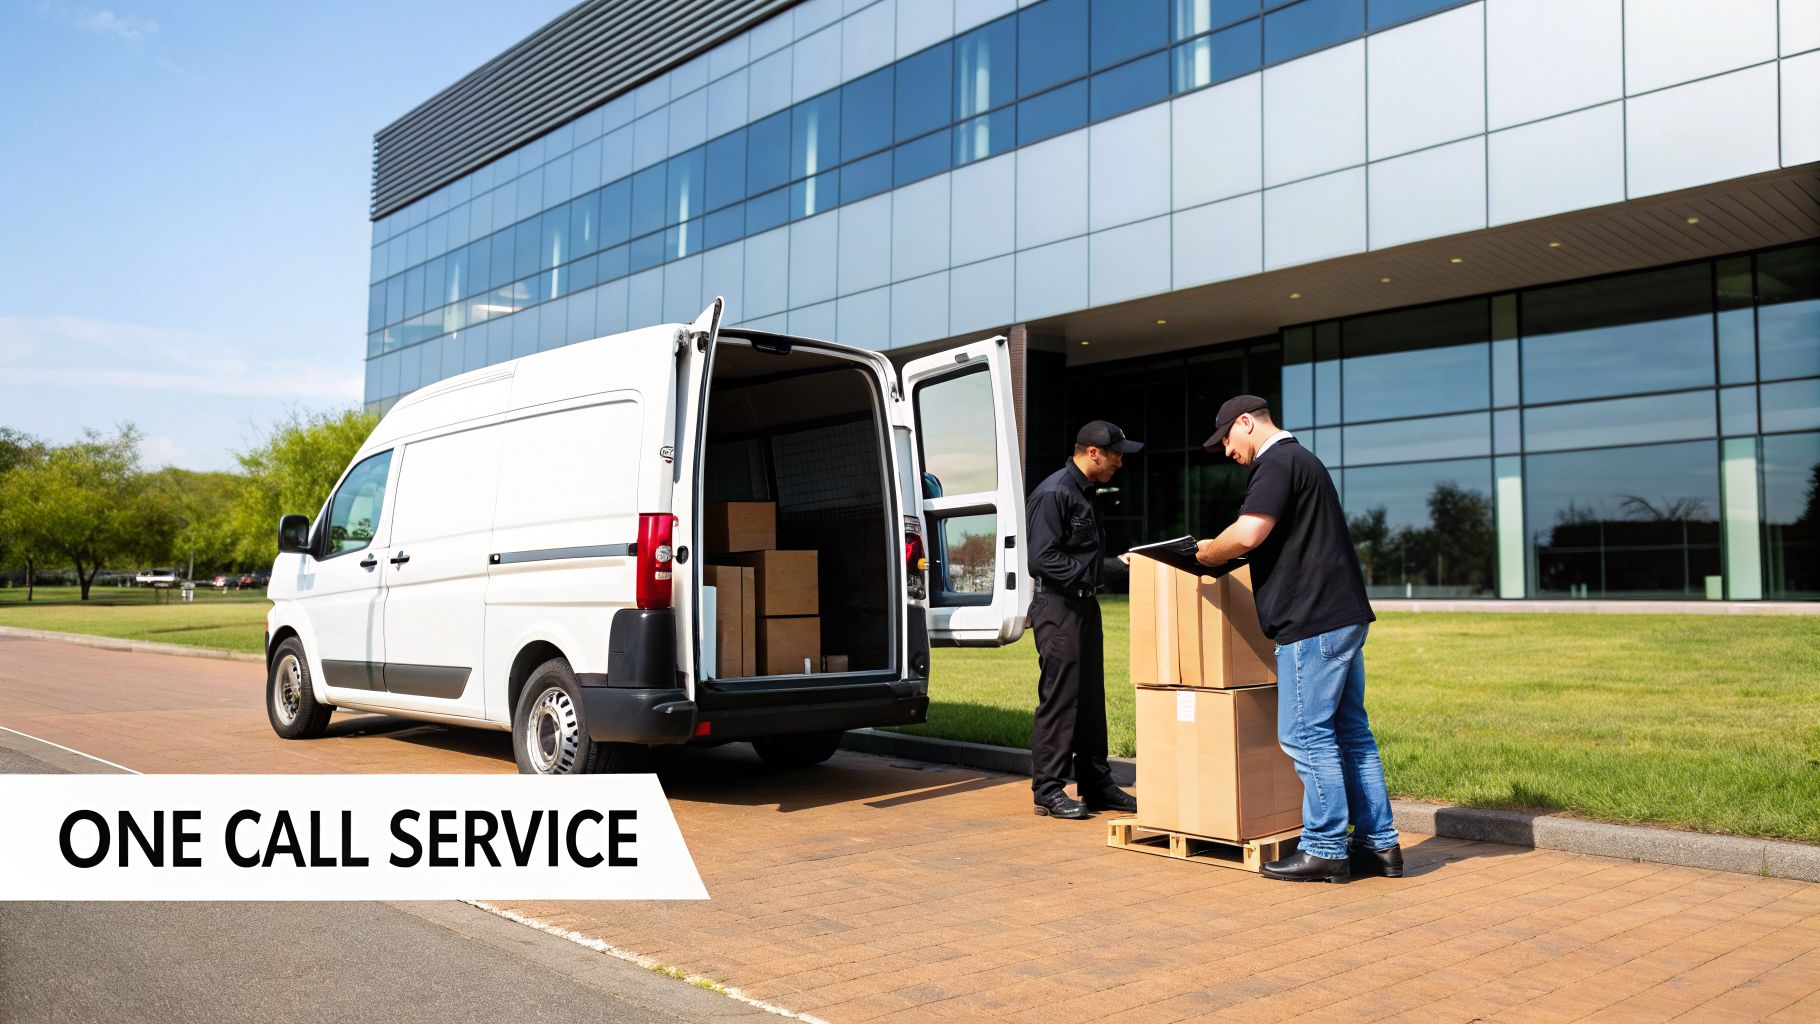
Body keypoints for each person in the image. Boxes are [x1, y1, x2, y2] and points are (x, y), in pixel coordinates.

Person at [1194, 396, 1401, 882]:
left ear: (1245, 423)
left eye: (1226, 438)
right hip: (1341, 615)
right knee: (1351, 735)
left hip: (1312, 623)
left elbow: (1247, 534)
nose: (1227, 450)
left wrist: (1207, 554)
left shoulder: (1276, 462)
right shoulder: (1305, 461)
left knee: (1306, 734)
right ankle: (1379, 845)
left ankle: (1326, 847)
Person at [1024, 421, 1144, 820]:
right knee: (1061, 698)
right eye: (1116, 454)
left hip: (1083, 607)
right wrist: (1105, 570)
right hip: (1057, 608)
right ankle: (1048, 789)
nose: (1121, 462)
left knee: (1091, 698)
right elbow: (1042, 559)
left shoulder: (1086, 493)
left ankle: (1096, 784)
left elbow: (1083, 558)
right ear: (1093, 452)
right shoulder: (1055, 492)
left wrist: (1114, 566)